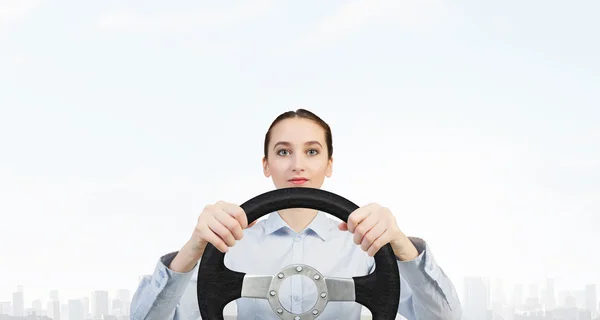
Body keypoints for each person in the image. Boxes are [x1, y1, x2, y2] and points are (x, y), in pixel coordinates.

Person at [130, 109, 463, 320]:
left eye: (312, 151)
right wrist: (192, 249)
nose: (297, 164)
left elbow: (445, 318)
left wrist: (401, 245)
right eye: (283, 151)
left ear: (329, 164)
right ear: (266, 164)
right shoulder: (230, 246)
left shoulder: (362, 246)